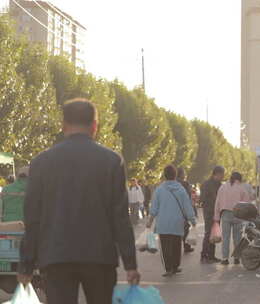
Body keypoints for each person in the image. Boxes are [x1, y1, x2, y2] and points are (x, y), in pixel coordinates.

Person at [18, 99, 140, 304]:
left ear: (63, 125)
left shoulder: (41, 163)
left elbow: (33, 219)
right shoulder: (111, 161)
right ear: (95, 125)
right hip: (99, 257)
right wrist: (131, 264)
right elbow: (120, 217)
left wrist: (26, 265)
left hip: (55, 257)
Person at [147, 165, 196, 277]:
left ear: (164, 175)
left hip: (163, 223)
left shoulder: (159, 189)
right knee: (176, 245)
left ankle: (168, 268)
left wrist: (150, 220)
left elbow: (154, 207)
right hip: (177, 223)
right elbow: (187, 206)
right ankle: (175, 266)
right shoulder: (181, 189)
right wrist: (192, 220)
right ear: (175, 176)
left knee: (165, 246)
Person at [214, 172, 250, 265]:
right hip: (238, 214)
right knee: (237, 237)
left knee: (225, 237)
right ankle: (237, 258)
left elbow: (217, 202)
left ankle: (225, 259)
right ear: (239, 179)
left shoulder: (222, 187)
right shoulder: (242, 188)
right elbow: (247, 203)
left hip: (225, 214)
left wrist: (216, 217)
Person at [200, 166, 225, 264]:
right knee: (208, 233)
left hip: (217, 212)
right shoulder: (206, 184)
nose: (223, 176)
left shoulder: (220, 185)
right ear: (217, 174)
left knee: (214, 234)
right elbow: (203, 199)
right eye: (222, 174)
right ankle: (204, 255)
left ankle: (211, 255)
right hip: (209, 212)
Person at [177, 167, 195, 253]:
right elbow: (188, 198)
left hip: (174, 210)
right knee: (185, 228)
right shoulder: (185, 184)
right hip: (183, 210)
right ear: (181, 175)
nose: (185, 175)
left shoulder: (172, 183)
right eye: (184, 173)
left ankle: (175, 247)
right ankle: (186, 246)